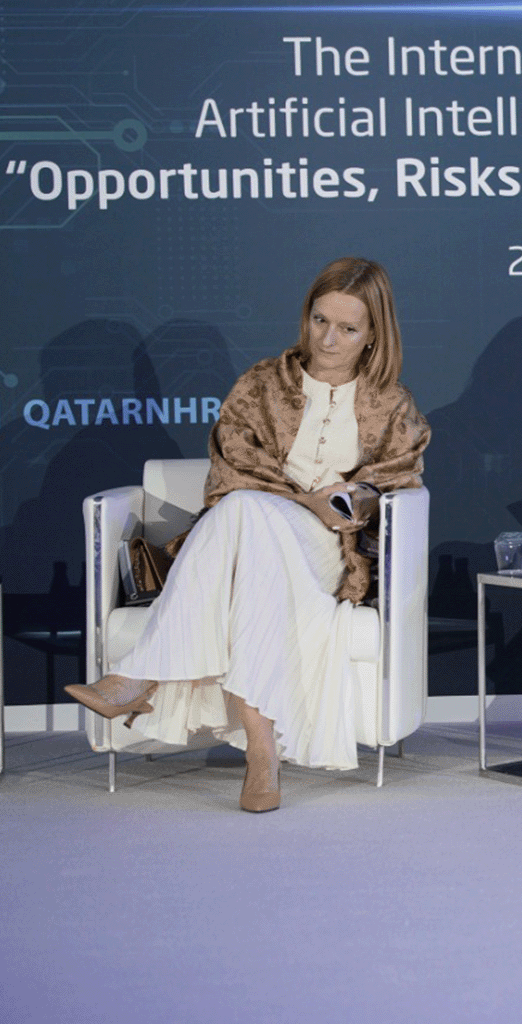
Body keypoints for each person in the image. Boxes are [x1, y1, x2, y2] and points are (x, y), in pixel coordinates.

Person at [65, 258, 431, 812]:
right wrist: (305, 499)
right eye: (320, 320)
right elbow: (230, 470)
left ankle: (139, 678)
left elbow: (395, 480)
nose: (328, 339)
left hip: (328, 550)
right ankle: (262, 754)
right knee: (244, 515)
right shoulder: (262, 383)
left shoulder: (392, 403)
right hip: (252, 538)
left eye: (348, 328)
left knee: (242, 513)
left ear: (374, 334)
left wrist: (351, 499)